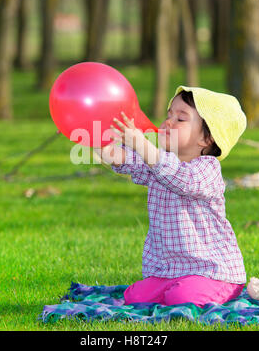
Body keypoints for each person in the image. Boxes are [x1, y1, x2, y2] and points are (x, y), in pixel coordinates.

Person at [94, 85, 247, 308]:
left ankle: (219, 290)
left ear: (207, 139)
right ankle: (176, 286)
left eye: (180, 119)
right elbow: (118, 157)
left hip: (213, 271)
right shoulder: (159, 162)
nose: (168, 122)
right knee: (134, 298)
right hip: (168, 270)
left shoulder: (207, 169)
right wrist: (89, 131)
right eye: (168, 115)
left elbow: (180, 178)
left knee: (182, 300)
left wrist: (141, 144)